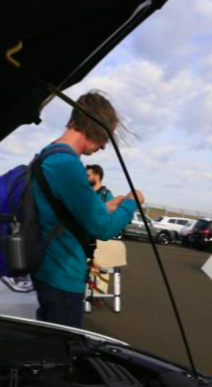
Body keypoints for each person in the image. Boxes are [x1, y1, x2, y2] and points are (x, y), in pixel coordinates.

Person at [31, 90, 144, 328]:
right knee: (61, 350)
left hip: (47, 267)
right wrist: (132, 202)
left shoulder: (49, 153)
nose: (103, 147)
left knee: (48, 343)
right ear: (95, 128)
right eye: (105, 138)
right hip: (62, 275)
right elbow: (104, 228)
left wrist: (106, 205)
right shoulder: (67, 165)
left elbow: (63, 211)